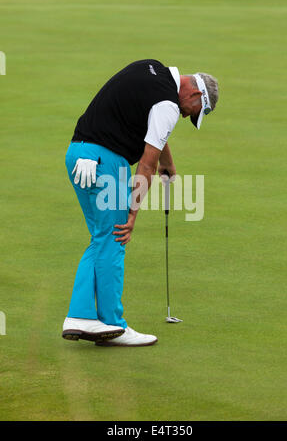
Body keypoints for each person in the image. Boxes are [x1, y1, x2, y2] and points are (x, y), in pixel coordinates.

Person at [62, 59, 219, 347]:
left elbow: (153, 127)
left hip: (79, 154)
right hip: (104, 161)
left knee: (102, 239)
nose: (186, 117)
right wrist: (132, 214)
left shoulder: (153, 69)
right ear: (195, 95)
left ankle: (80, 315)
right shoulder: (169, 105)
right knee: (115, 237)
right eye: (192, 112)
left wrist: (167, 160)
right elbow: (146, 166)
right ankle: (113, 325)